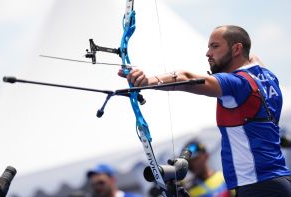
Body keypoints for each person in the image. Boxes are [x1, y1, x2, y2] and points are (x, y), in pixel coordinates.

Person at [118, 25, 291, 196]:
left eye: (215, 46)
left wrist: (147, 81)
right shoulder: (268, 76)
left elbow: (186, 78)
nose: (208, 53)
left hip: (259, 185)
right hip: (276, 181)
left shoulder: (237, 84)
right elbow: (253, 57)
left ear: (237, 48)